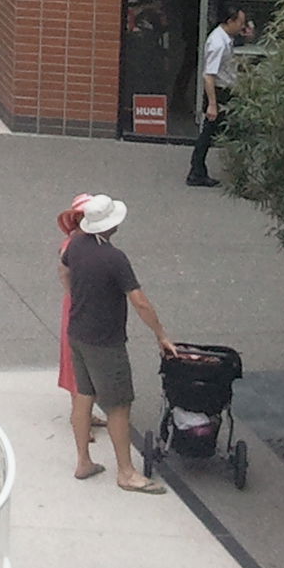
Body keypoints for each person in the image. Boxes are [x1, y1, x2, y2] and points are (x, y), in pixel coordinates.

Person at [62, 192, 176, 493]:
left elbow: (63, 269)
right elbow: (139, 301)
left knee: (84, 396)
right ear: (110, 225)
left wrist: (76, 295)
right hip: (105, 342)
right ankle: (126, 472)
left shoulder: (75, 245)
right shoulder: (114, 258)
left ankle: (83, 461)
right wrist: (161, 334)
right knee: (119, 406)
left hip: (77, 333)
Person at [187, 4, 255, 187]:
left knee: (209, 133)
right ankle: (199, 171)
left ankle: (197, 170)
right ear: (230, 21)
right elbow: (209, 75)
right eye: (240, 22)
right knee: (216, 132)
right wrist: (212, 104)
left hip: (224, 91)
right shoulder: (218, 43)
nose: (242, 26)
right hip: (219, 93)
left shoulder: (224, 37)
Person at [54, 191, 105, 428]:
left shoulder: (83, 243)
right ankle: (81, 419)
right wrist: (75, 296)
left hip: (81, 304)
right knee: (79, 365)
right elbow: (64, 272)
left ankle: (85, 415)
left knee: (84, 365)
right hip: (79, 307)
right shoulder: (74, 246)